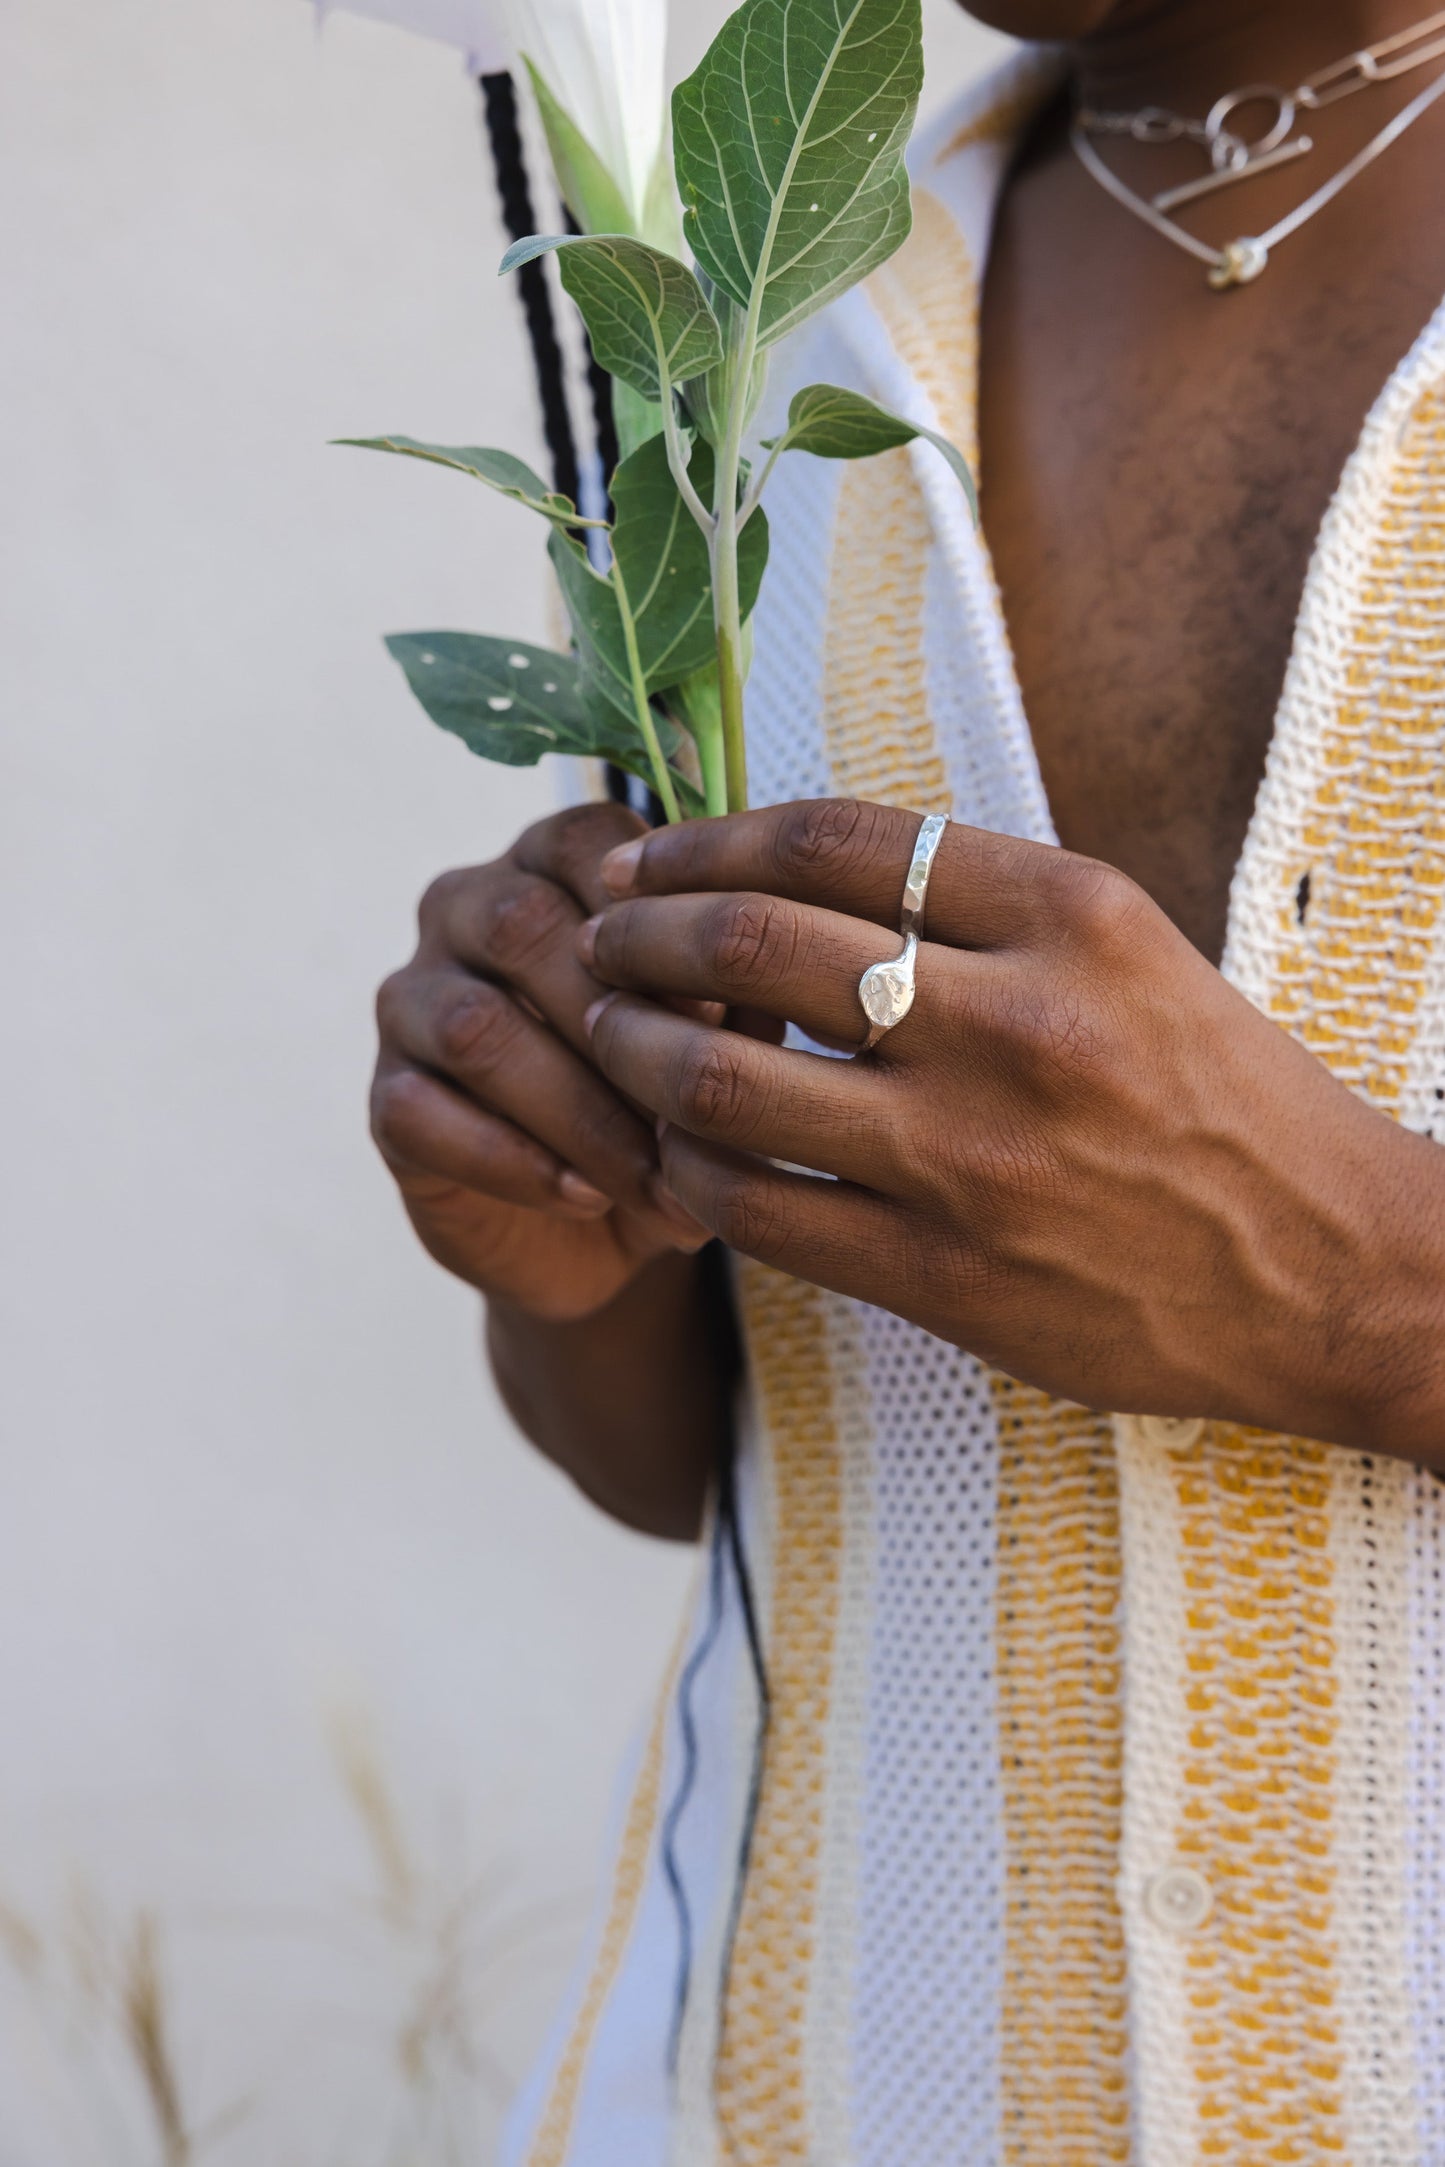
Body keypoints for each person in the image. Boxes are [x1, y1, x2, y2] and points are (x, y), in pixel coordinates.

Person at [371, 1, 1445, 2158]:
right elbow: (714, 1461)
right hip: (826, 2072)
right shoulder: (759, 332)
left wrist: (1370, 1297)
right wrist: (557, 1222)